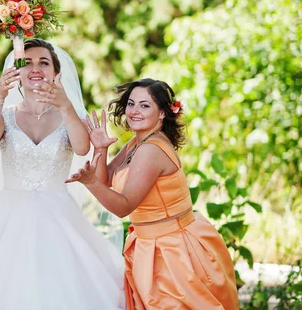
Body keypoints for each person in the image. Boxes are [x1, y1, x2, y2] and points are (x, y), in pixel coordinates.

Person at [0, 39, 125, 310]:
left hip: (59, 214)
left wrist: (66, 105)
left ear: (56, 73)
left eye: (43, 62)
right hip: (6, 216)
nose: (35, 68)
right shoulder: (6, 114)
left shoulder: (71, 112)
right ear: (16, 72)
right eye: (27, 62)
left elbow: (82, 148)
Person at [67, 78, 239, 310]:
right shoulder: (137, 143)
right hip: (151, 244)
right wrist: (101, 148)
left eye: (144, 105)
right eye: (131, 104)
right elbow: (106, 180)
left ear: (162, 113)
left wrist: (89, 182)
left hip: (172, 251)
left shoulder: (150, 150)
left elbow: (123, 206)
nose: (134, 111)